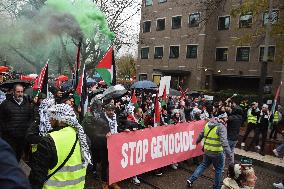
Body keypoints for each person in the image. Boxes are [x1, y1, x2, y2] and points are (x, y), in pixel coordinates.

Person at [29, 103, 91, 189]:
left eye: (52, 117)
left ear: (60, 120)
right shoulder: (83, 137)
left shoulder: (50, 140)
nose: (49, 120)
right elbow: (87, 165)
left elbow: (37, 175)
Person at [186, 113, 233, 189]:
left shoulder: (208, 124)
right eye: (226, 118)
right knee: (218, 169)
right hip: (217, 152)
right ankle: (216, 187)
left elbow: (201, 134)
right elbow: (224, 142)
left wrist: (197, 141)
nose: (227, 119)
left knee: (203, 165)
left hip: (207, 151)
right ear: (222, 119)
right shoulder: (221, 127)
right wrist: (230, 155)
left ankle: (191, 180)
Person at [82, 103, 121, 189]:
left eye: (112, 110)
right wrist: (105, 135)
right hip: (104, 145)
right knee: (105, 164)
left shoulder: (115, 118)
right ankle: (104, 182)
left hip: (115, 144)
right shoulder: (100, 119)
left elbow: (118, 128)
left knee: (114, 164)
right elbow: (95, 134)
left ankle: (113, 181)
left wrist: (124, 130)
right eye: (109, 110)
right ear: (105, 110)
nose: (111, 112)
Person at [0, 83, 33, 161]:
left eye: (21, 92)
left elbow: (30, 118)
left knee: (18, 156)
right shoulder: (5, 104)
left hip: (22, 137)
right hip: (9, 138)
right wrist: (6, 130)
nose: (20, 94)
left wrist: (27, 129)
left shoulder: (27, 104)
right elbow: (1, 120)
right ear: (13, 92)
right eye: (18, 92)